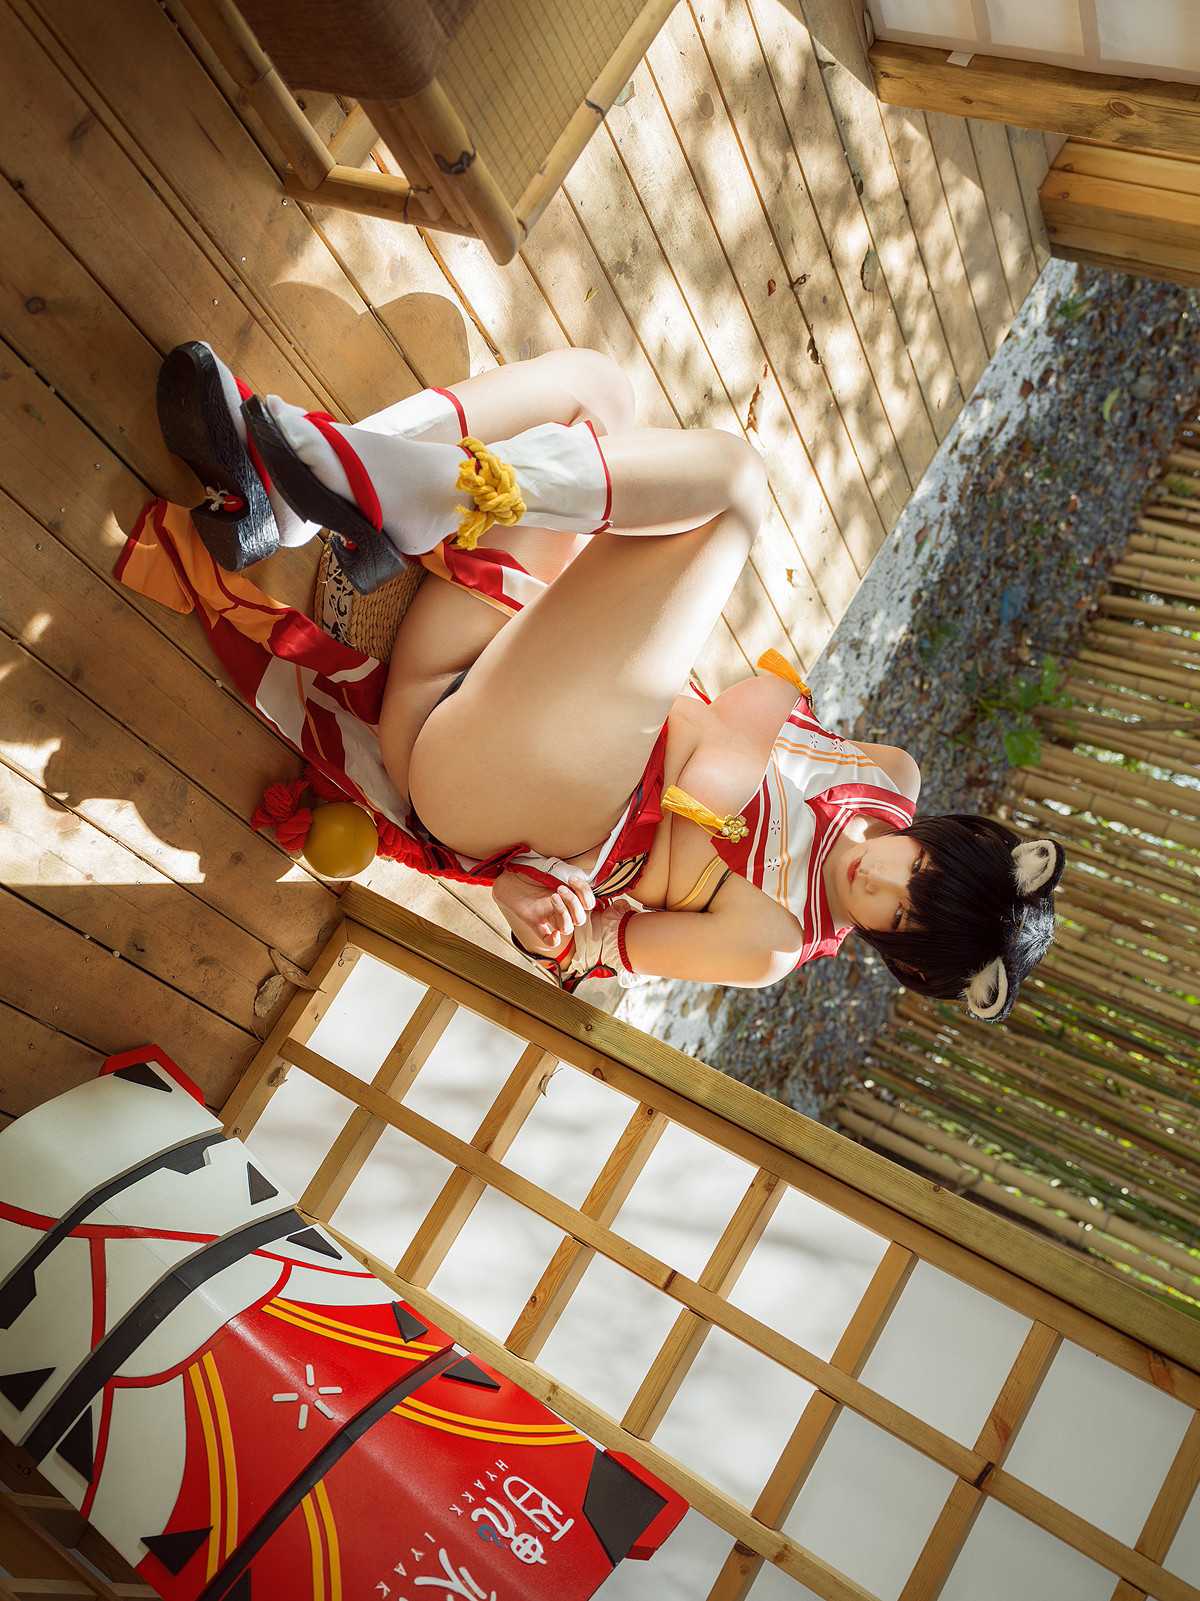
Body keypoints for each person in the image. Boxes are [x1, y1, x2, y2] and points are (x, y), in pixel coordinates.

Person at [158, 343, 1064, 1022]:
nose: (883, 882)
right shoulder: (890, 777)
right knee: (598, 393)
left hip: (485, 776)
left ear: (904, 959)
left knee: (734, 488)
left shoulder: (773, 942)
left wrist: (528, 912)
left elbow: (586, 952)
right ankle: (288, 495)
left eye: (900, 919)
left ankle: (366, 484)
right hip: (507, 654)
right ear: (941, 838)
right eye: (920, 869)